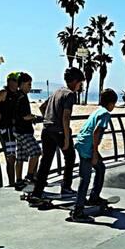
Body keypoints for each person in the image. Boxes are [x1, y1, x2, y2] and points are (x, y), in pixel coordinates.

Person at [28, 67, 85, 205]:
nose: (80, 86)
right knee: (70, 157)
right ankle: (66, 187)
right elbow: (66, 117)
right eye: (80, 83)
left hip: (47, 129)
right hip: (59, 131)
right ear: (75, 82)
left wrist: (48, 118)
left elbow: (42, 107)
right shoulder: (70, 94)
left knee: (46, 161)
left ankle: (37, 192)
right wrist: (66, 138)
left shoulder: (57, 91)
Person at [71, 88, 118, 222]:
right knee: (85, 178)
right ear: (110, 103)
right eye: (114, 104)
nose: (114, 107)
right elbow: (97, 132)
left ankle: (94, 197)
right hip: (88, 148)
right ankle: (78, 211)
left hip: (81, 143)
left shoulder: (97, 111)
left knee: (100, 168)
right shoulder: (105, 114)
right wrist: (95, 153)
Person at [13, 72, 42, 190]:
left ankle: (18, 181)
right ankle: (29, 176)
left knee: (20, 157)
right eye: (29, 84)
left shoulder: (16, 95)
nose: (30, 87)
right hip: (23, 131)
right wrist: (36, 117)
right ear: (22, 84)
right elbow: (25, 116)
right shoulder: (23, 97)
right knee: (36, 152)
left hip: (17, 130)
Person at [0, 73, 20, 187]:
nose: (16, 83)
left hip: (13, 128)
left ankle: (14, 181)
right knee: (10, 156)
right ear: (9, 81)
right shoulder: (3, 92)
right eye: (14, 80)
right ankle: (11, 182)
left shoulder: (17, 94)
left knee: (13, 156)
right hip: (5, 128)